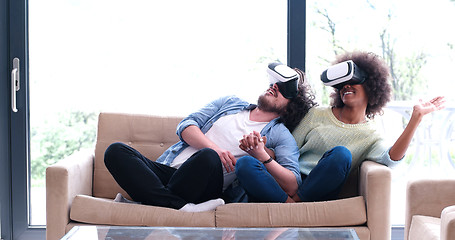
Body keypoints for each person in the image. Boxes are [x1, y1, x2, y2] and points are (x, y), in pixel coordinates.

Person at [104, 62, 315, 212]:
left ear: (291, 106)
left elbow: (292, 184)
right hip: (168, 171)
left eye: (280, 89)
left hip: (205, 182)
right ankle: (180, 207)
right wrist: (216, 148)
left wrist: (262, 155)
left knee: (207, 157)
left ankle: (149, 200)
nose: (273, 87)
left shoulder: (279, 134)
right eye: (273, 84)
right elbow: (186, 126)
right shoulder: (229, 102)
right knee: (115, 151)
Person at [289, 50, 445, 202]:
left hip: (322, 191)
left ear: (371, 87)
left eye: (354, 81)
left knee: (341, 154)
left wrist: (415, 118)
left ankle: (292, 205)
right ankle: (293, 202)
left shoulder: (371, 135)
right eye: (342, 83)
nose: (346, 86)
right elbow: (289, 150)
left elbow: (391, 159)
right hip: (292, 182)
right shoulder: (317, 113)